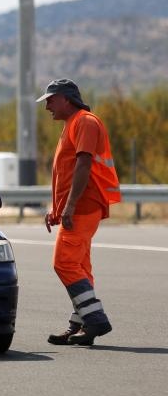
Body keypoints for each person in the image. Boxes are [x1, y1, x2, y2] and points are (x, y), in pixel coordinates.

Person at [37, 78, 120, 346]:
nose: (47, 105)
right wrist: (57, 209)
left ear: (66, 99)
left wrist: (70, 207)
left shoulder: (85, 121)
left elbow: (84, 165)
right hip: (77, 206)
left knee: (64, 262)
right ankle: (80, 324)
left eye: (50, 99)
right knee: (80, 266)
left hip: (84, 206)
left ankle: (95, 320)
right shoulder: (73, 124)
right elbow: (67, 172)